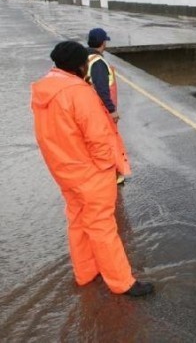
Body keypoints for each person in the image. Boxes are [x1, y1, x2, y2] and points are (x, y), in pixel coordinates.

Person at [31, 41, 153, 297]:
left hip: (65, 170)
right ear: (79, 65)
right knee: (102, 226)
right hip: (90, 172)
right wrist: (107, 167)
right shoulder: (79, 93)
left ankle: (85, 272)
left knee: (77, 221)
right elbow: (98, 137)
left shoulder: (43, 91)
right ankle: (122, 282)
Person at [86, 28, 126, 184]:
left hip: (89, 108)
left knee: (95, 142)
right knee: (108, 143)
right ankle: (113, 175)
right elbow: (102, 89)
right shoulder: (98, 62)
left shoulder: (86, 58)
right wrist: (112, 110)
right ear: (103, 43)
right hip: (100, 110)